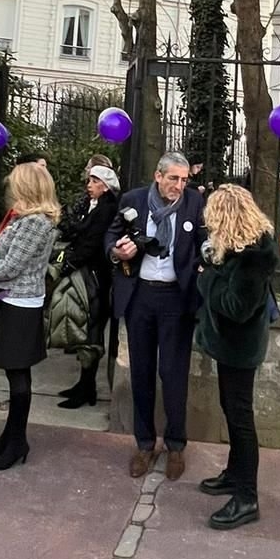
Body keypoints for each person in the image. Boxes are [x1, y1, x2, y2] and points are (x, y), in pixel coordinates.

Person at [105, 151, 206, 481]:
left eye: (184, 179)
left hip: (177, 297)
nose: (179, 185)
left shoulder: (194, 203)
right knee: (142, 373)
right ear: (158, 175)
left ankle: (176, 445)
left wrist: (203, 266)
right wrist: (117, 250)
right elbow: (111, 234)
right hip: (140, 296)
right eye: (174, 178)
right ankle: (145, 443)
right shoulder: (134, 199)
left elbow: (206, 243)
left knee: (173, 373)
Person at [194, 185, 278, 530]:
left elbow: (237, 308)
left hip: (241, 347)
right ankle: (234, 472)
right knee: (231, 409)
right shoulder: (236, 248)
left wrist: (206, 279)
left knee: (241, 417)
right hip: (230, 346)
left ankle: (247, 497)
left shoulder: (254, 256)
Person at [0, 161, 60, 470]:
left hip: (22, 301)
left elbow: (12, 266)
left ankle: (17, 443)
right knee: (14, 372)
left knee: (18, 373)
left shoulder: (35, 222)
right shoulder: (28, 218)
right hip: (15, 297)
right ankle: (9, 438)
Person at [54, 163, 120, 409]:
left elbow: (91, 242)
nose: (88, 185)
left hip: (95, 277)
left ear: (104, 186)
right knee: (86, 328)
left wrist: (67, 264)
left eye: (93, 181)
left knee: (91, 329)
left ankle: (87, 387)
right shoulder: (99, 207)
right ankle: (84, 384)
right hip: (92, 274)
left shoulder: (106, 209)